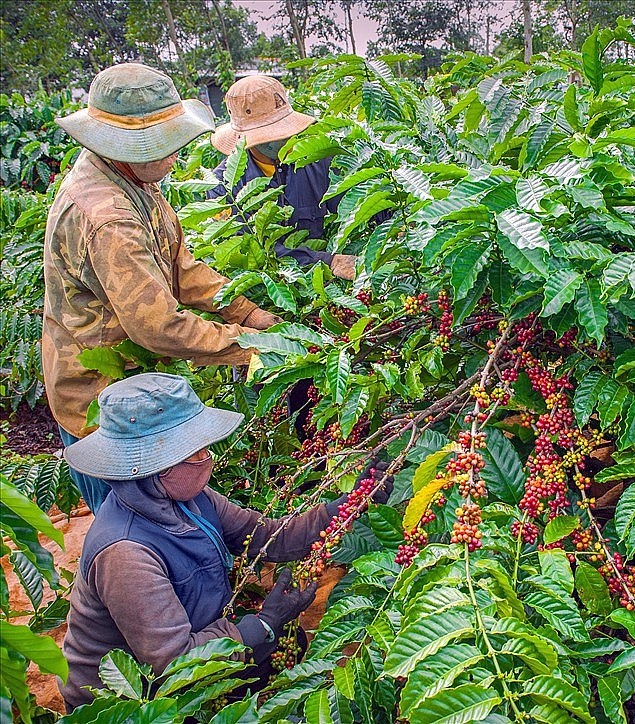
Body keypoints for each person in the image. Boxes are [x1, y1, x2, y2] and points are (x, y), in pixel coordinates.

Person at [58, 372, 392, 712]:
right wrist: (263, 622)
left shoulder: (189, 499)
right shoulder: (125, 553)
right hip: (129, 701)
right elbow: (176, 661)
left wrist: (348, 504)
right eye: (195, 451)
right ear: (155, 466)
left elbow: (265, 536)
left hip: (191, 644)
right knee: (265, 644)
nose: (207, 457)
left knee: (284, 644)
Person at [44, 63, 282, 514]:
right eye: (167, 145)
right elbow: (156, 326)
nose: (177, 155)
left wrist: (245, 311)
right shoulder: (108, 218)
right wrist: (251, 346)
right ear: (129, 147)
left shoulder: (131, 178)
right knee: (135, 532)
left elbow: (179, 264)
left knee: (173, 522)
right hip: (102, 399)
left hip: (136, 385)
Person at [207, 74, 358, 279]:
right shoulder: (222, 186)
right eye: (274, 134)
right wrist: (327, 261)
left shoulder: (316, 160)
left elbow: (354, 203)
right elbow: (244, 250)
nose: (286, 138)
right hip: (265, 288)